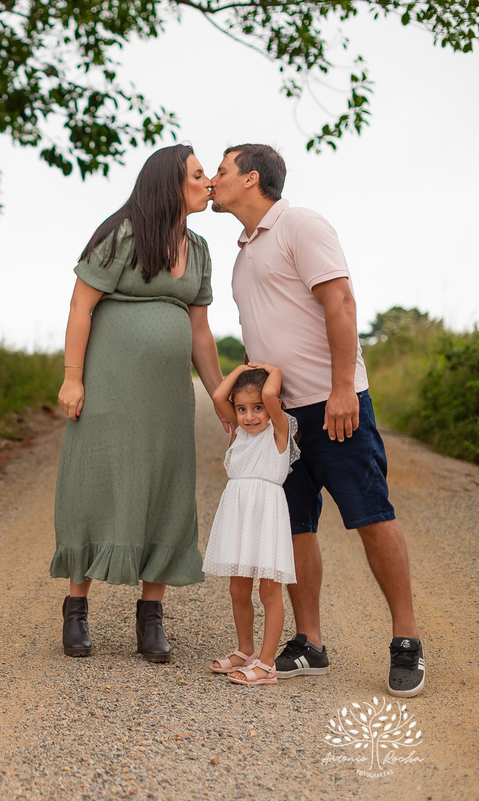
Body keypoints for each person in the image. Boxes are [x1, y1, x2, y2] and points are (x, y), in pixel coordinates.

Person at [209, 143, 424, 697]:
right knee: (295, 526)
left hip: (333, 405)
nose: (213, 179)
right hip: (278, 420)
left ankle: (406, 640)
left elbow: (341, 304)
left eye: (222, 170)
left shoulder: (300, 225)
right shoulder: (242, 253)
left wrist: (340, 390)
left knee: (370, 514)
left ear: (252, 178)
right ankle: (309, 642)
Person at [54, 143, 224, 663]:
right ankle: (77, 610)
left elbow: (200, 330)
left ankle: (151, 619)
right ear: (171, 183)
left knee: (165, 488)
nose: (208, 183)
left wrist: (219, 396)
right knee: (95, 484)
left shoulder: (197, 249)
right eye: (199, 175)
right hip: (108, 387)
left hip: (167, 398)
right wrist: (72, 379)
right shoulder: (121, 233)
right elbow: (81, 307)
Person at [204, 364, 298, 686]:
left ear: (273, 408)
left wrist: (271, 369)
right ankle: (245, 651)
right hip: (239, 512)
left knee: (269, 591)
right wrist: (241, 369)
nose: (249, 416)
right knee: (237, 588)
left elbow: (271, 392)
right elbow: (218, 395)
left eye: (257, 408)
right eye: (242, 409)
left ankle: (267, 664)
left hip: (266, 513)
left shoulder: (280, 430)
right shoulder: (239, 432)